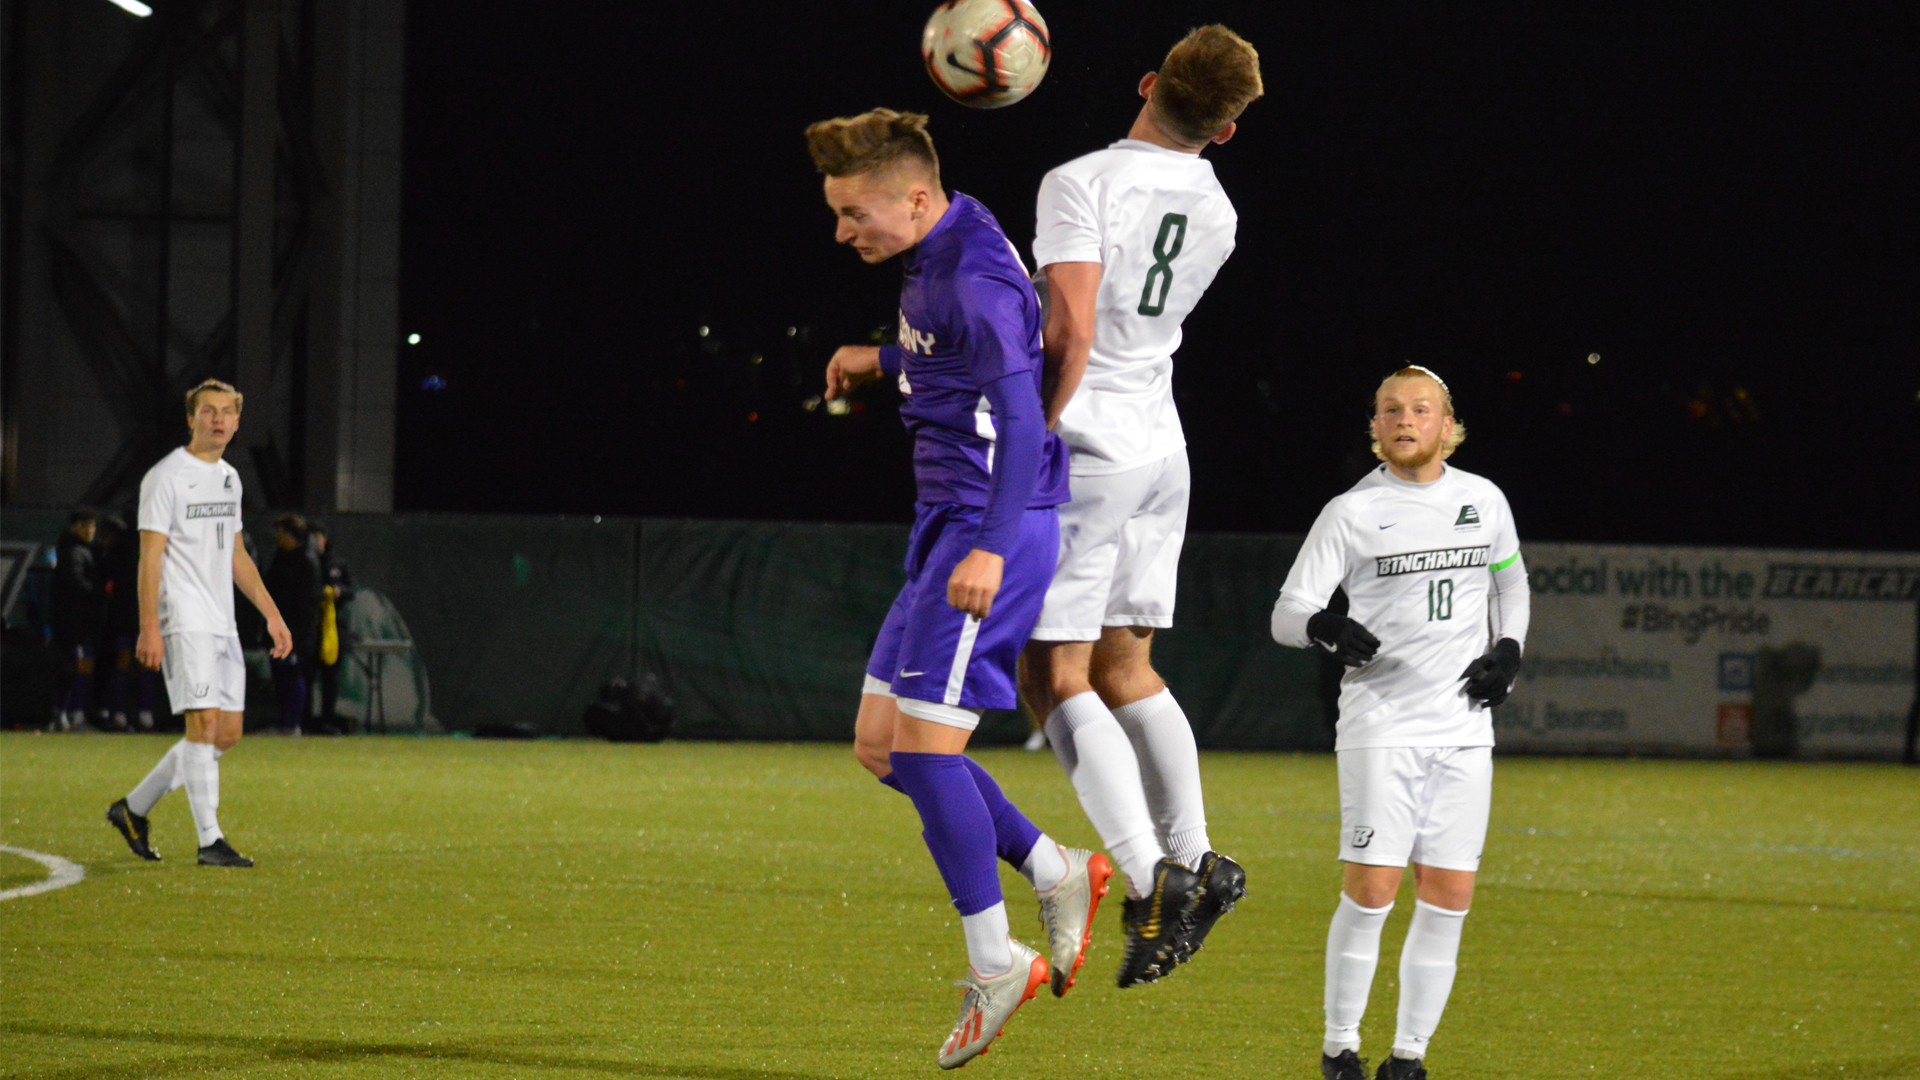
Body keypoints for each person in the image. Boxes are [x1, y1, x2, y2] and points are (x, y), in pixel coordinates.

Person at [810, 108, 1101, 1069]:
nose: (843, 231)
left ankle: (994, 961)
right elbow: (960, 360)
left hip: (986, 527)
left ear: (915, 198)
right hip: (950, 523)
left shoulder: (969, 276)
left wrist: (991, 550)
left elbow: (1021, 419)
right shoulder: (944, 237)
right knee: (881, 746)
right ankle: (1055, 868)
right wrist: (883, 359)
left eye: (854, 214)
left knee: (928, 755)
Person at [1015, 24, 1263, 987]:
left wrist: (1037, 426)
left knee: (1053, 673)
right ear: (1227, 129)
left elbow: (1071, 326)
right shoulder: (1220, 207)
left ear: (1150, 81)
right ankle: (1200, 857)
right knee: (1126, 667)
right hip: (1163, 445)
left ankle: (1150, 876)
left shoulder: (1080, 181)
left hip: (1090, 445)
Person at [1269, 367, 1529, 1080]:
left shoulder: (1484, 500)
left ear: (1448, 425)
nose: (1404, 419)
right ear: (1376, 427)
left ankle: (1409, 1058)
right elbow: (1287, 613)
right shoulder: (1351, 511)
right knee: (1373, 889)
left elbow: (1510, 583)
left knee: (1450, 897)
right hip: (1381, 725)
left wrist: (1509, 650)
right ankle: (1340, 1047)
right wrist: (1324, 626)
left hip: (1465, 730)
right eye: (1391, 409)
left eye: (1420, 409)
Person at [105, 378, 293, 868]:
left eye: (227, 412)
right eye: (208, 411)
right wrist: (150, 625)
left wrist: (272, 613)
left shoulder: (229, 477)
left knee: (224, 734)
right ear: (191, 419)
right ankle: (211, 841)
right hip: (183, 616)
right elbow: (150, 557)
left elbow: (236, 554)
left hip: (222, 619)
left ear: (237, 422)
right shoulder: (166, 476)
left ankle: (133, 809)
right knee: (203, 723)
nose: (218, 420)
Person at [100, 511, 162, 731]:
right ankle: (142, 716)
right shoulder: (148, 547)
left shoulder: (120, 550)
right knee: (143, 665)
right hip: (138, 617)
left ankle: (122, 715)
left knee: (127, 663)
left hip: (127, 618)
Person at [265, 513, 323, 735]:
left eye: (280, 533)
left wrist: (298, 636)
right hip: (278, 629)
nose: (277, 537)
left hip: (297, 633)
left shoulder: (307, 560)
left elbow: (308, 604)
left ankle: (294, 724)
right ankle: (283, 723)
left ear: (291, 535)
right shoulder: (281, 557)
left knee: (294, 674)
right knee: (280, 676)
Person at [50, 509, 105, 731]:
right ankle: (67, 715)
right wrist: (100, 593)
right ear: (75, 527)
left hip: (82, 622)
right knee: (78, 665)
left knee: (81, 666)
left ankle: (69, 714)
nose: (91, 530)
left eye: (92, 525)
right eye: (86, 525)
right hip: (74, 623)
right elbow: (76, 584)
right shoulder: (73, 552)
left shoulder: (82, 550)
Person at [309, 520, 357, 734]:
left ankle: (327, 721)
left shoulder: (338, 563)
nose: (314, 542)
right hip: (311, 629)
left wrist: (339, 592)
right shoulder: (306, 562)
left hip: (334, 630)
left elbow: (351, 590)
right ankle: (306, 721)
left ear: (324, 539)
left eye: (317, 538)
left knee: (331, 679)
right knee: (308, 677)